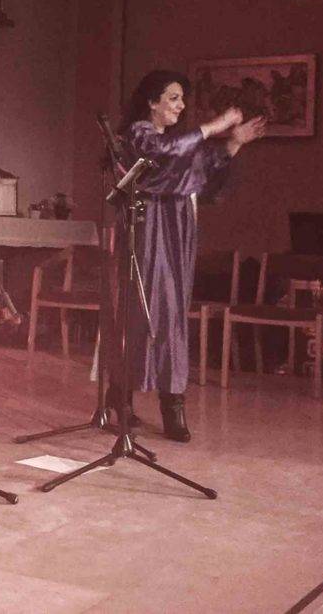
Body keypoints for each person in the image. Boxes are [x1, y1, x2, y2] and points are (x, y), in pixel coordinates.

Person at [111, 69, 265, 442]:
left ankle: (172, 402)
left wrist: (235, 142)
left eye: (182, 99)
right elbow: (165, 152)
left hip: (179, 225)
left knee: (174, 311)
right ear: (152, 102)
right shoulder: (139, 134)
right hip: (148, 223)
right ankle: (122, 396)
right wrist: (215, 126)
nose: (180, 106)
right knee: (145, 306)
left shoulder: (180, 143)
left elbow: (205, 167)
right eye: (173, 98)